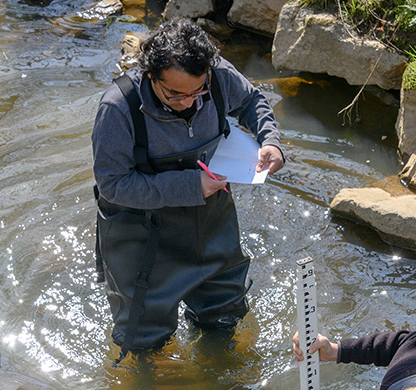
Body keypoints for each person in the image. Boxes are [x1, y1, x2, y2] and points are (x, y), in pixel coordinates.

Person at [92, 18, 285, 360]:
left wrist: (270, 140)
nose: (188, 102)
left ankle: (222, 382)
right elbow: (113, 185)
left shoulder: (217, 75)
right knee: (142, 339)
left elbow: (253, 100)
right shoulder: (117, 108)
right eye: (174, 94)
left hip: (212, 224)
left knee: (224, 315)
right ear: (150, 76)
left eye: (199, 92)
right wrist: (190, 185)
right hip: (140, 237)